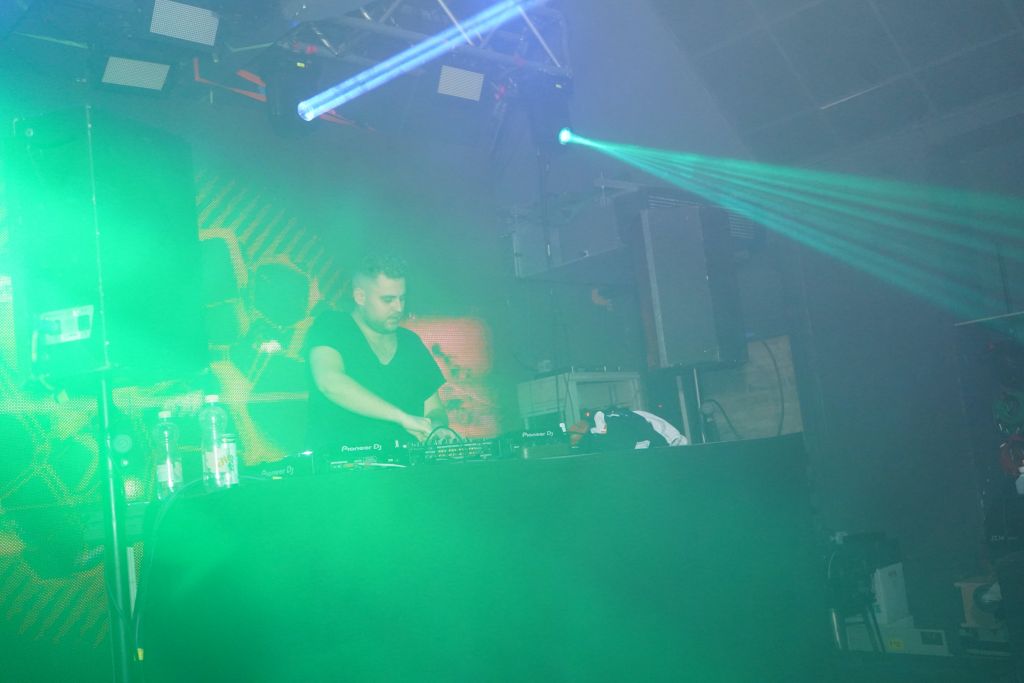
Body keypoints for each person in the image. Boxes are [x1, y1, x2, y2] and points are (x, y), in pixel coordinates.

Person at [305, 254, 447, 455]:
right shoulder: (332, 325)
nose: (398, 308)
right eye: (388, 300)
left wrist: (436, 429)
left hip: (410, 466)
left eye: (402, 298)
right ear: (360, 297)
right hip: (343, 467)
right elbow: (329, 382)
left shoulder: (410, 342)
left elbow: (434, 409)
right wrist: (402, 418)